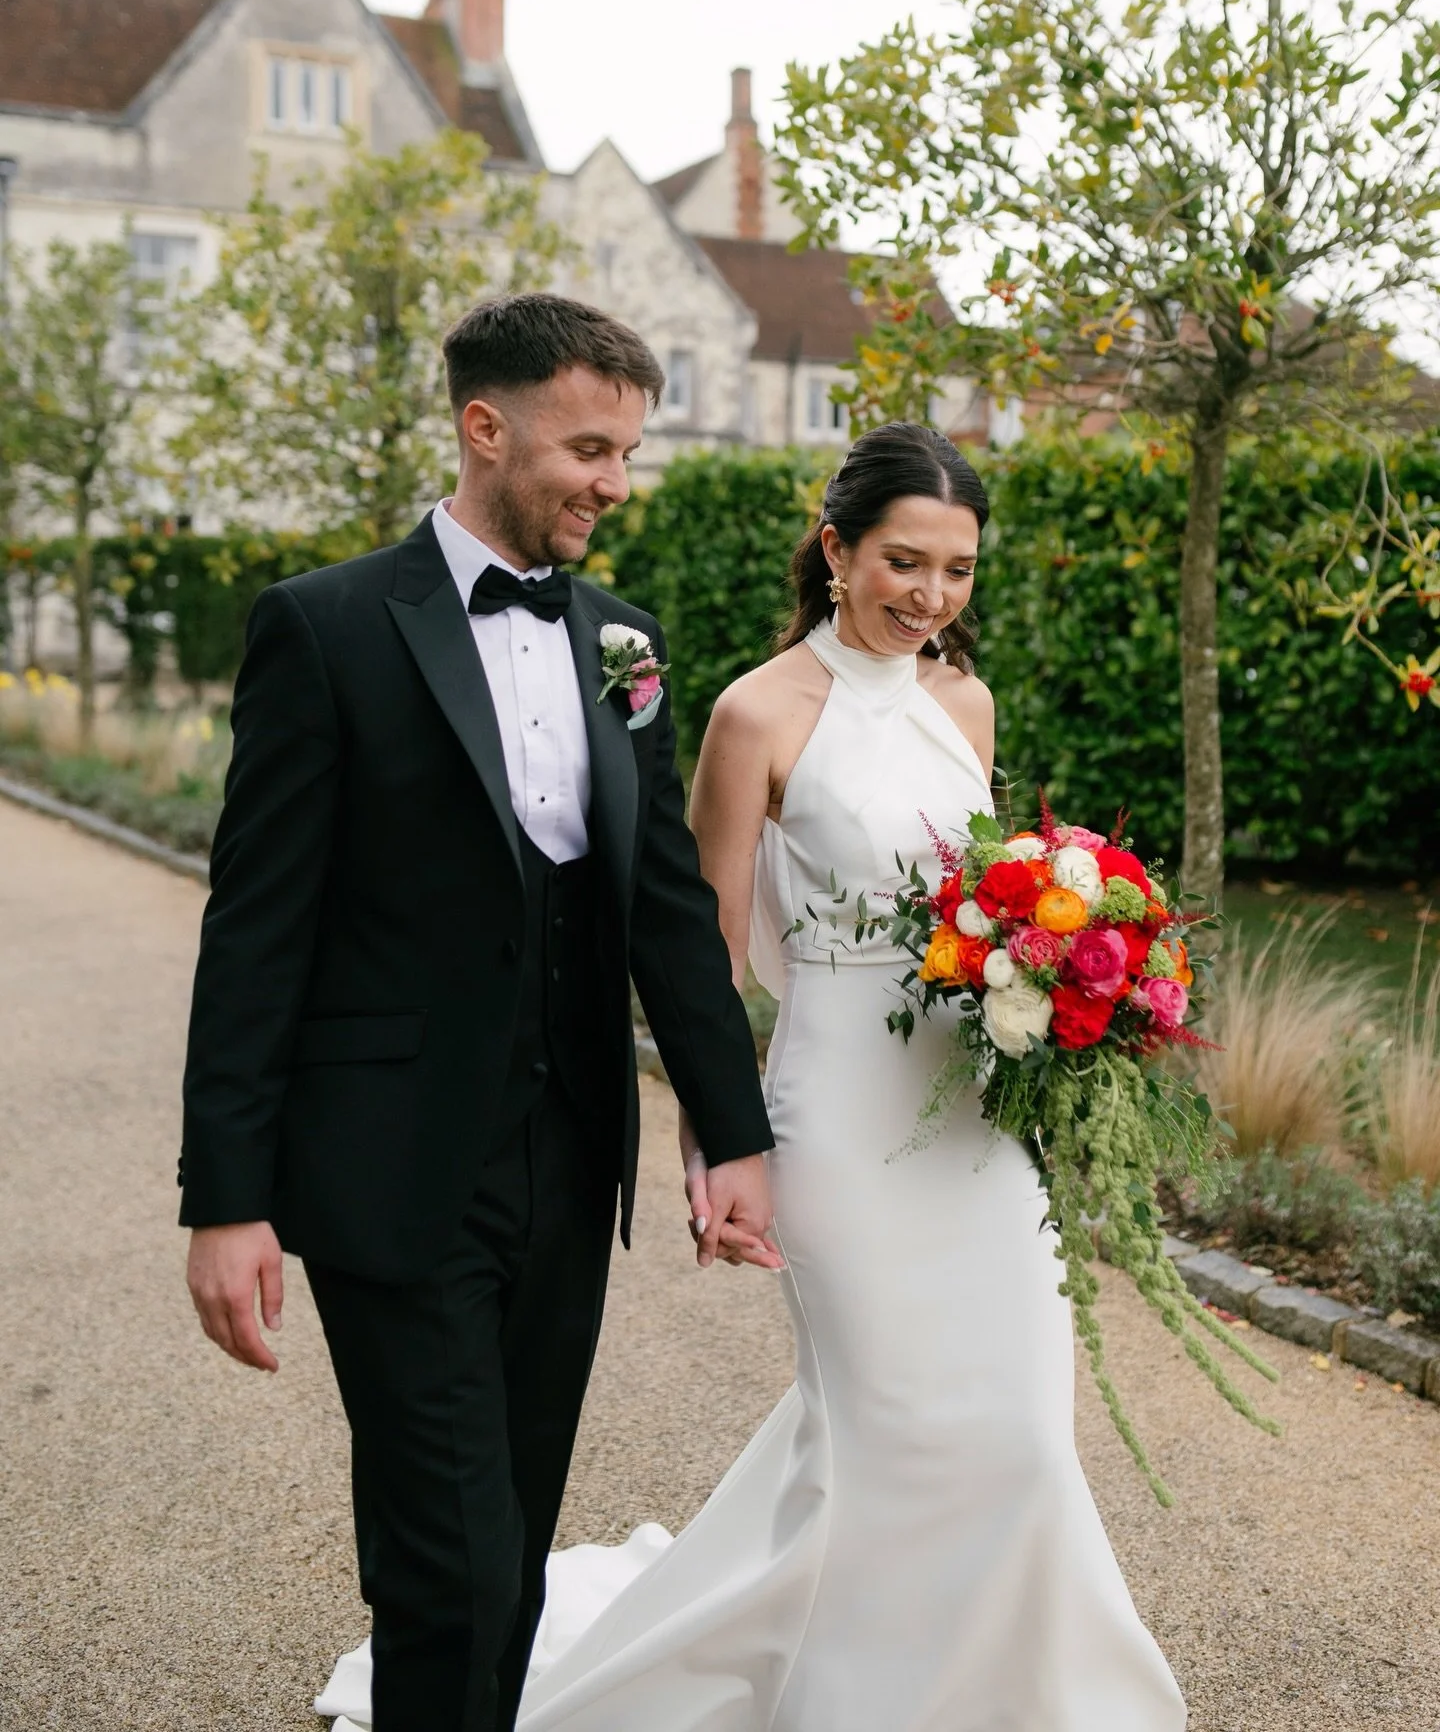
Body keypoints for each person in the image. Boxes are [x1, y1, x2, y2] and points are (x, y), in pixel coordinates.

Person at [475, 422, 1187, 1728]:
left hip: (974, 1113)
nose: (931, 595)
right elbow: (695, 954)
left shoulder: (964, 705)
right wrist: (716, 1144)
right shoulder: (756, 713)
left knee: (1023, 1434)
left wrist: (1069, 990)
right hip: (837, 1116)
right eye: (904, 561)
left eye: (960, 570)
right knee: (888, 1435)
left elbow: (986, 903)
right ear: (837, 549)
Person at [179, 292, 780, 1732]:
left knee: (501, 1532)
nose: (613, 483)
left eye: (627, 453)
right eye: (587, 448)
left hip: (569, 1167)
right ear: (484, 427)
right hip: (389, 1161)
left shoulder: (626, 641)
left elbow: (662, 912)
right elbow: (258, 932)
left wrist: (729, 1127)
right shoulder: (322, 628)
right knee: (452, 1549)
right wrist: (227, 1196)